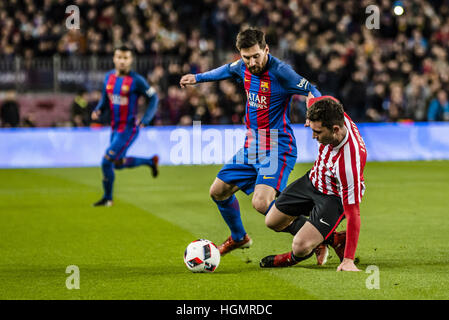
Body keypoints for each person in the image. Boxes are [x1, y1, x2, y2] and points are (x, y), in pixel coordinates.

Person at [179, 28, 321, 255]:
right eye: (247, 57)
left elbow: (311, 90)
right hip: (253, 146)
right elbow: (225, 70)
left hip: (277, 145)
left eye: (256, 56)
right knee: (218, 191)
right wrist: (198, 78)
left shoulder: (281, 72)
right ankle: (239, 237)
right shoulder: (242, 67)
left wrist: (311, 111)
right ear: (240, 55)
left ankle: (324, 238)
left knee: (262, 203)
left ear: (266, 49)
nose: (252, 62)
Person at [260, 96, 367, 272]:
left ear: (334, 129)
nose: (313, 136)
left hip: (333, 197)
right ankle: (334, 239)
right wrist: (309, 117)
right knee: (272, 221)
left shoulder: (348, 164)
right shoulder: (332, 113)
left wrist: (348, 260)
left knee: (300, 246)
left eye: (318, 132)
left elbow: (354, 212)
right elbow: (318, 98)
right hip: (314, 180)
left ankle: (289, 259)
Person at [91, 45, 160, 207]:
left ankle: (108, 198)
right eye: (119, 57)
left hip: (129, 129)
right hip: (114, 128)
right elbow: (105, 98)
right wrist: (99, 109)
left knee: (106, 161)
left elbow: (154, 98)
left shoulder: (137, 80)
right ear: (114, 59)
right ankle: (150, 162)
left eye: (125, 58)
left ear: (131, 60)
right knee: (118, 164)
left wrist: (146, 119)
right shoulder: (109, 77)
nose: (122, 61)